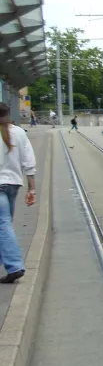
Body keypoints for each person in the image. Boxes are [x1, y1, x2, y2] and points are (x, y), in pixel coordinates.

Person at [0, 103, 36, 284]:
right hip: (13, 184)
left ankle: (14, 266)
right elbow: (29, 161)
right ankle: (8, 261)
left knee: (3, 224)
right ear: (8, 113)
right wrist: (32, 188)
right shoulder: (20, 133)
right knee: (5, 224)